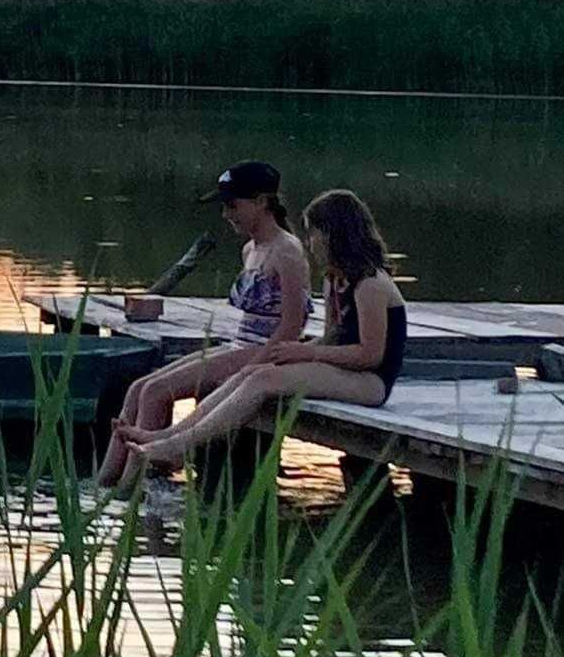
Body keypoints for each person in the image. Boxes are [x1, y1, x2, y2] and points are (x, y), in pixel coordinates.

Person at [119, 188, 408, 473]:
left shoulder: (370, 284)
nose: (310, 243)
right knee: (250, 372)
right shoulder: (335, 280)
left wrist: (307, 351)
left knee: (264, 379)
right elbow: (334, 337)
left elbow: (370, 355)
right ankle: (168, 436)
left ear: (335, 234)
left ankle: (179, 445)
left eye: (314, 233)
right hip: (345, 371)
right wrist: (296, 353)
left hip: (371, 382)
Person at [97, 160, 310, 490]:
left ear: (262, 202)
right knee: (139, 388)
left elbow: (293, 325)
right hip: (238, 344)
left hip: (263, 350)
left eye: (232, 205)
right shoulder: (249, 250)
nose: (226, 214)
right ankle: (102, 483)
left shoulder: (287, 252)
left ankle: (132, 491)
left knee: (155, 393)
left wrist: (253, 366)